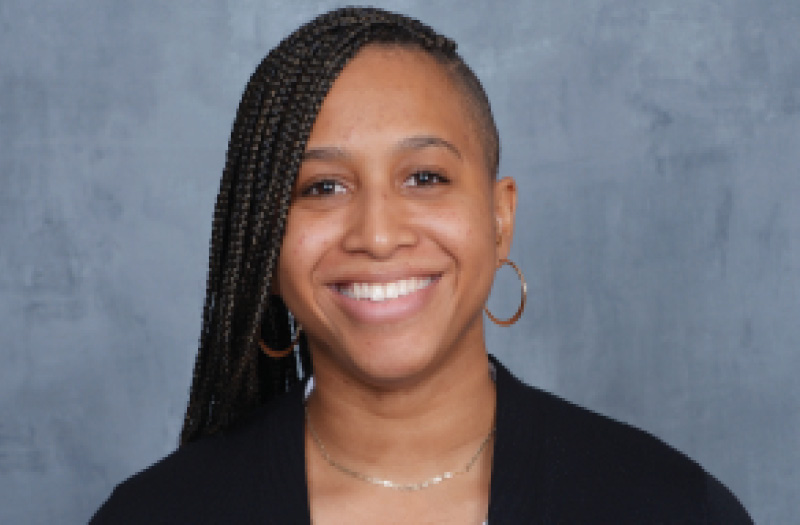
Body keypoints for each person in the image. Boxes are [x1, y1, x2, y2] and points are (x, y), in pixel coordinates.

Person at [91, 7, 752, 524]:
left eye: (425, 176)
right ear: (266, 239)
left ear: (500, 218)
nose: (378, 235)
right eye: (322, 187)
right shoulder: (158, 515)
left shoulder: (669, 507)